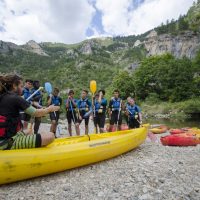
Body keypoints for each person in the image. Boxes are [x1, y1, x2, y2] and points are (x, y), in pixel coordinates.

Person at [0, 74, 59, 150]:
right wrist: (49, 109)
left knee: (28, 130)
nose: (22, 89)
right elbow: (37, 113)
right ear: (14, 85)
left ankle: (29, 143)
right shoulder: (15, 98)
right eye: (21, 86)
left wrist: (43, 108)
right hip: (7, 142)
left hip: (7, 137)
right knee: (50, 136)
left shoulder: (3, 96)